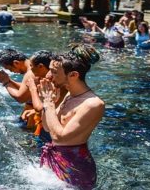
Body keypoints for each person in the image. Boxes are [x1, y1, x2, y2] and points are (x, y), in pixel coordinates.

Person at [38, 43, 105, 190]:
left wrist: (49, 104)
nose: (49, 76)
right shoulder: (68, 95)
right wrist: (47, 103)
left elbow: (60, 137)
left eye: (54, 72)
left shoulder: (93, 104)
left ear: (73, 75)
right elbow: (47, 127)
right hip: (56, 160)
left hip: (76, 172)